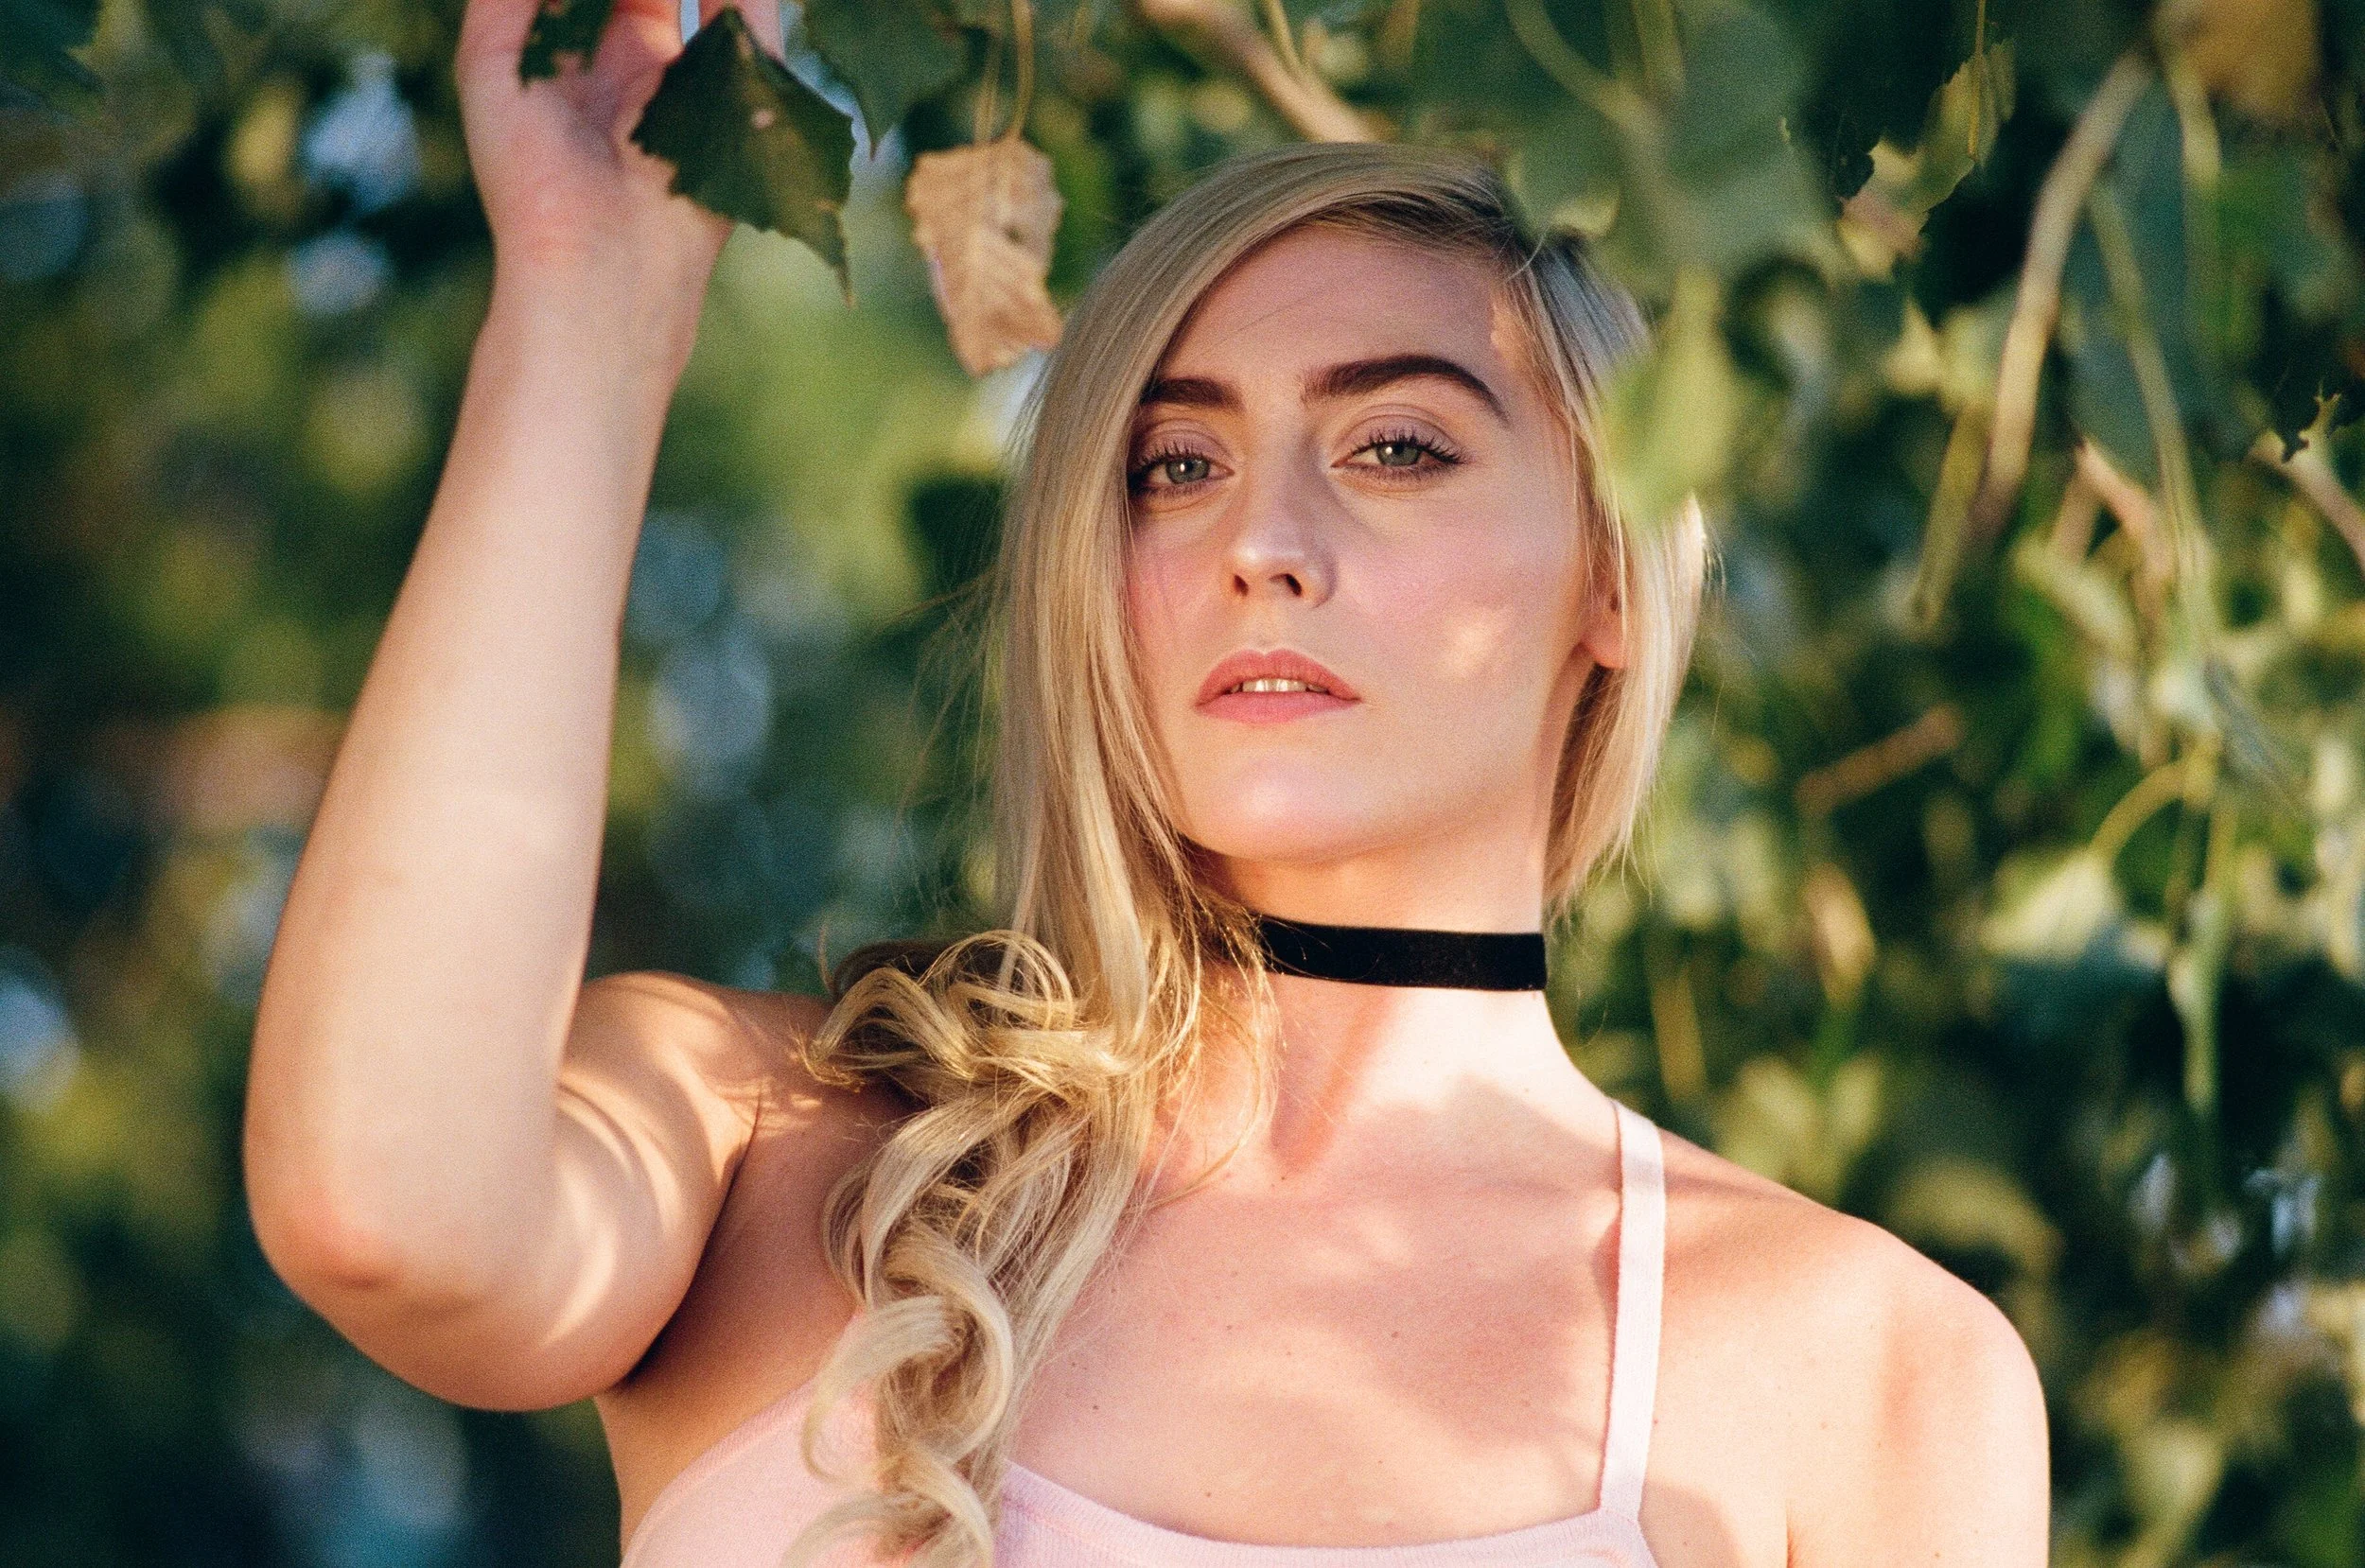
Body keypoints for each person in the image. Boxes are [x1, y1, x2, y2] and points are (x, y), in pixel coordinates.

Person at [241, 1, 2052, 1564]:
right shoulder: (763, 1148)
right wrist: (588, 299)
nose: (1262, 539)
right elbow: (379, 1213)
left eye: (1398, 444)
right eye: (1174, 463)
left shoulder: (1863, 1361)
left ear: (1610, 571)